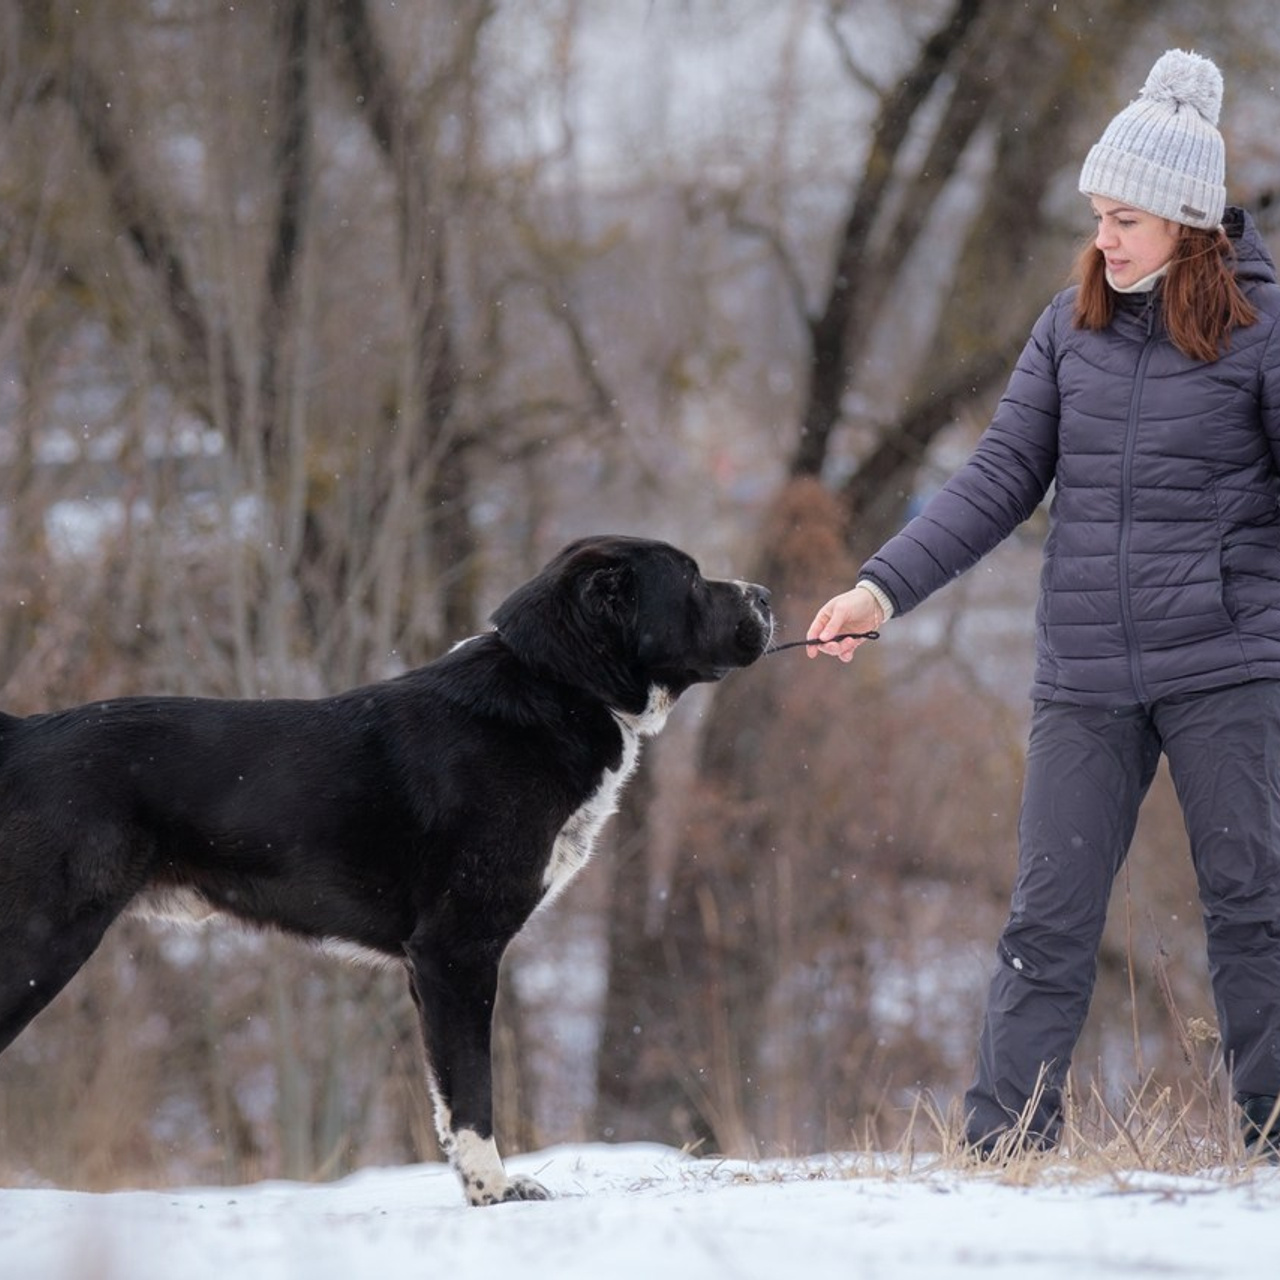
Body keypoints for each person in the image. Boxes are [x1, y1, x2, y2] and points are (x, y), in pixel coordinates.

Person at [806, 48, 1280, 1159]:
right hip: (1084, 673)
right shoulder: (1069, 328)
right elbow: (990, 480)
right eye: (1095, 215)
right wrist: (878, 588)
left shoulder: (1261, 335)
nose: (1102, 238)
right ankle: (1003, 1147)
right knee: (1046, 919)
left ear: (1185, 221)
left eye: (1123, 218)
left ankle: (1269, 1145)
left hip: (1226, 664)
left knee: (1253, 910)